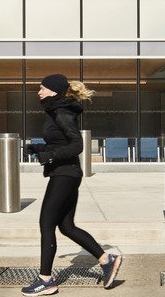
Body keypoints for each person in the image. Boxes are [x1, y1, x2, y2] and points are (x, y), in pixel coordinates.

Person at [20, 74, 123, 295]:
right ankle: (106, 260)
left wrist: (49, 156)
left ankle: (45, 280)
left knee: (46, 224)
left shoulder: (62, 113)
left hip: (65, 175)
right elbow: (60, 142)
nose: (39, 92)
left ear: (54, 91)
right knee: (66, 226)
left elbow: (77, 145)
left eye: (42, 89)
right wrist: (38, 149)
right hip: (66, 172)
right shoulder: (56, 111)